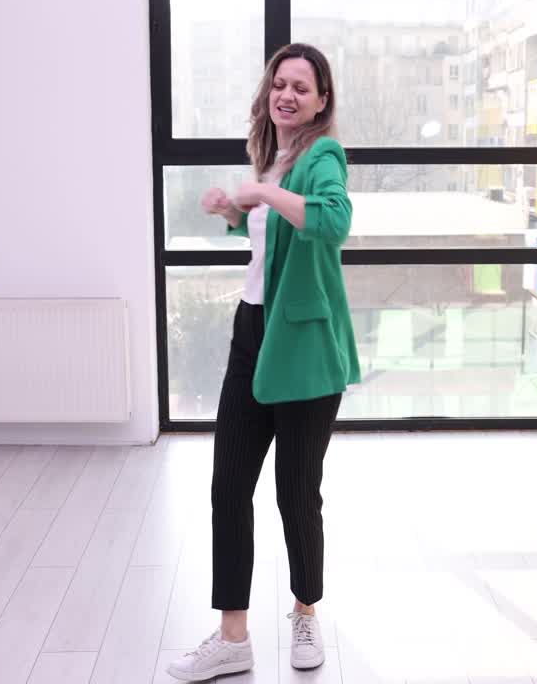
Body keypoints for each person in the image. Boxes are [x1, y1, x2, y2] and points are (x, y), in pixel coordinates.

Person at [167, 42, 360, 681]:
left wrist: (261, 194)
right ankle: (233, 636)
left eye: (301, 87)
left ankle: (305, 612)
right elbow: (269, 245)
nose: (287, 95)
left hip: (302, 345)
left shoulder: (321, 156)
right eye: (279, 84)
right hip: (252, 330)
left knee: (296, 492)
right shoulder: (273, 158)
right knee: (229, 488)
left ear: (321, 100)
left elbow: (331, 223)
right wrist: (234, 212)